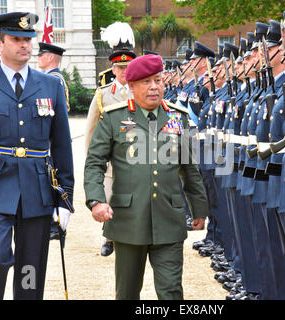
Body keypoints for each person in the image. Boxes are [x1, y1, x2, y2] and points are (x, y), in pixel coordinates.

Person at [0, 12, 74, 300]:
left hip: (37, 190)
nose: (25, 45)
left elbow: (61, 145)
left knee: (30, 269)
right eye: (17, 39)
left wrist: (65, 199)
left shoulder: (50, 85)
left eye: (28, 39)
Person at [84, 54, 209, 300]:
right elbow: (94, 163)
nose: (154, 87)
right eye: (146, 82)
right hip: (128, 219)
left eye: (158, 80)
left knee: (172, 291)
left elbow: (189, 168)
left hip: (169, 220)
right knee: (128, 292)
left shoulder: (177, 117)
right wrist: (96, 200)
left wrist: (199, 210)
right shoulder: (113, 117)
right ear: (131, 86)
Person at [84, 21, 137, 257]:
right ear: (113, 69)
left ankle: (129, 235)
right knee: (110, 198)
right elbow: (91, 130)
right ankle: (109, 237)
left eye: (128, 67)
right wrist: (92, 160)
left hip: (136, 156)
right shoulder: (103, 95)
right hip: (110, 161)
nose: (124, 72)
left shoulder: (142, 92)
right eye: (120, 68)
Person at [38, 40, 70, 243]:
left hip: (51, 136)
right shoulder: (53, 78)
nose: (38, 57)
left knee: (52, 178)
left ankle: (56, 224)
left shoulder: (53, 79)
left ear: (50, 57)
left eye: (41, 55)